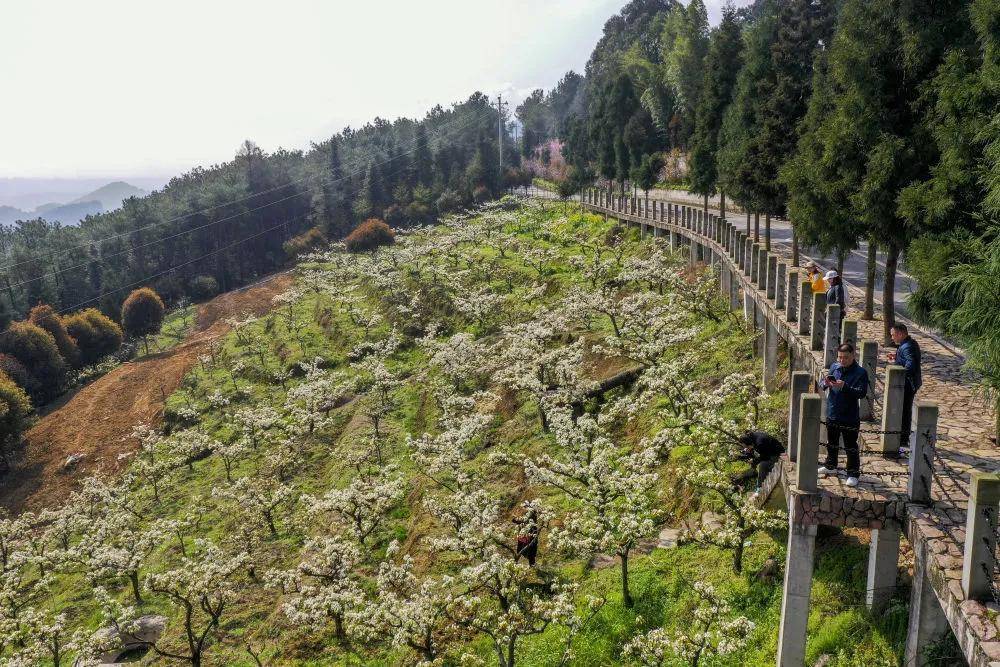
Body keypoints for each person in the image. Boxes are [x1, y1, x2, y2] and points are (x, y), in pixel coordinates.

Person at [818, 343, 870, 487]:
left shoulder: (861, 373)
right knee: (832, 443)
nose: (842, 360)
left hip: (850, 416)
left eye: (845, 358)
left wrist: (844, 386)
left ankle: (853, 473)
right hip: (833, 412)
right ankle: (831, 465)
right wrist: (826, 383)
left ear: (853, 355)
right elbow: (823, 382)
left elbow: (861, 393)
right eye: (840, 357)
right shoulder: (835, 367)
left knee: (850, 446)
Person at [888, 323, 922, 449]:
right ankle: (902, 436)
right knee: (905, 409)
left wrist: (898, 372)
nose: (892, 338)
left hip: (907, 384)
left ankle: (903, 438)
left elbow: (911, 365)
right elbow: (906, 360)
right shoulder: (908, 344)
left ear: (901, 334)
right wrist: (896, 358)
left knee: (904, 411)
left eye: (893, 335)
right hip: (909, 383)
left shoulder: (907, 347)